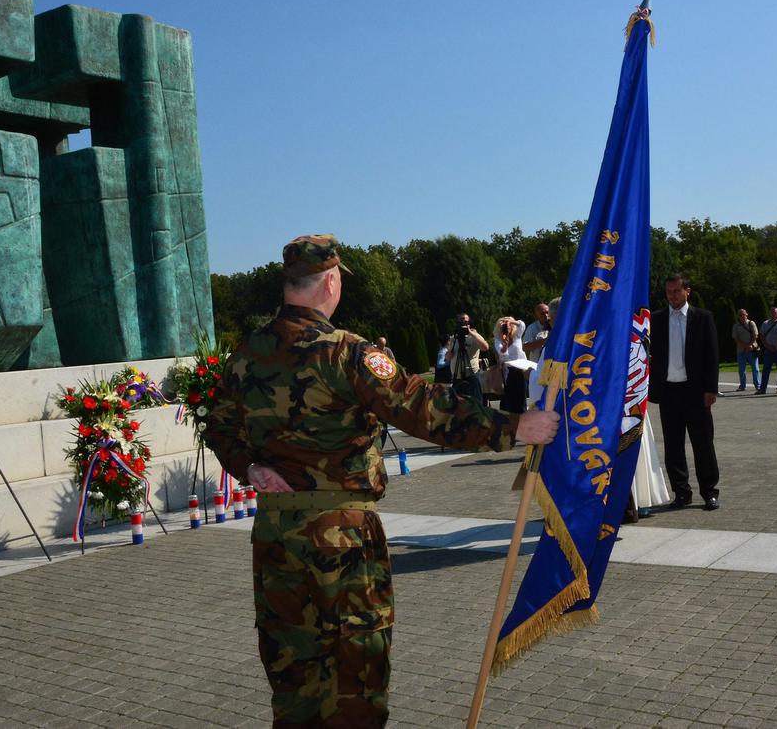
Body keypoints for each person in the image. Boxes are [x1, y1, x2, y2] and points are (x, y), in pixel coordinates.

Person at [203, 234, 559, 727]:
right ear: (330, 281)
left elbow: (218, 426)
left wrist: (249, 468)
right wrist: (513, 427)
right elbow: (422, 408)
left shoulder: (246, 354)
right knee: (356, 683)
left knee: (294, 680)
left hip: (275, 537)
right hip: (341, 535)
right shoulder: (346, 352)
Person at [649, 274, 721, 511]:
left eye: (677, 291)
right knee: (673, 446)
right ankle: (681, 492)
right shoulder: (657, 319)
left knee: (703, 444)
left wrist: (711, 388)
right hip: (669, 391)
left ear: (687, 291)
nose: (672, 296)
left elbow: (712, 355)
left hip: (696, 392)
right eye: (669, 292)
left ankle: (709, 492)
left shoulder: (702, 318)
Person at [444, 312, 488, 403]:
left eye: (465, 320)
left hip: (471, 376)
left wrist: (470, 332)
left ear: (469, 322)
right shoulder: (454, 338)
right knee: (458, 410)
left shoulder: (474, 336)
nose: (463, 322)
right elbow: (447, 358)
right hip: (457, 378)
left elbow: (485, 347)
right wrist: (448, 354)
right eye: (460, 320)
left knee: (476, 406)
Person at [493, 316, 528, 413]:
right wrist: (504, 347)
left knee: (521, 402)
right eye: (504, 325)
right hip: (508, 372)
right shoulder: (498, 340)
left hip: (521, 370)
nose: (507, 327)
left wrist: (512, 321)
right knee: (510, 402)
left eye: (509, 325)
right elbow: (502, 356)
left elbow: (522, 325)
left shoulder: (517, 335)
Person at [757, 307, 777, 394]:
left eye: (775, 312)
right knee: (766, 369)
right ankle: (762, 389)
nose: (773, 314)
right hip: (768, 350)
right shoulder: (765, 323)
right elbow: (762, 336)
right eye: (771, 312)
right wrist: (767, 346)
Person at [732, 308, 760, 392]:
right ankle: (742, 386)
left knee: (755, 368)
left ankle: (758, 385)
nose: (742, 316)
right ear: (738, 316)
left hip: (752, 349)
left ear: (747, 314)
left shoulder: (751, 323)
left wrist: (749, 345)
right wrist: (744, 346)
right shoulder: (736, 326)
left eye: (743, 314)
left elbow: (755, 335)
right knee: (741, 369)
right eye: (740, 315)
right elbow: (735, 338)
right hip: (741, 350)